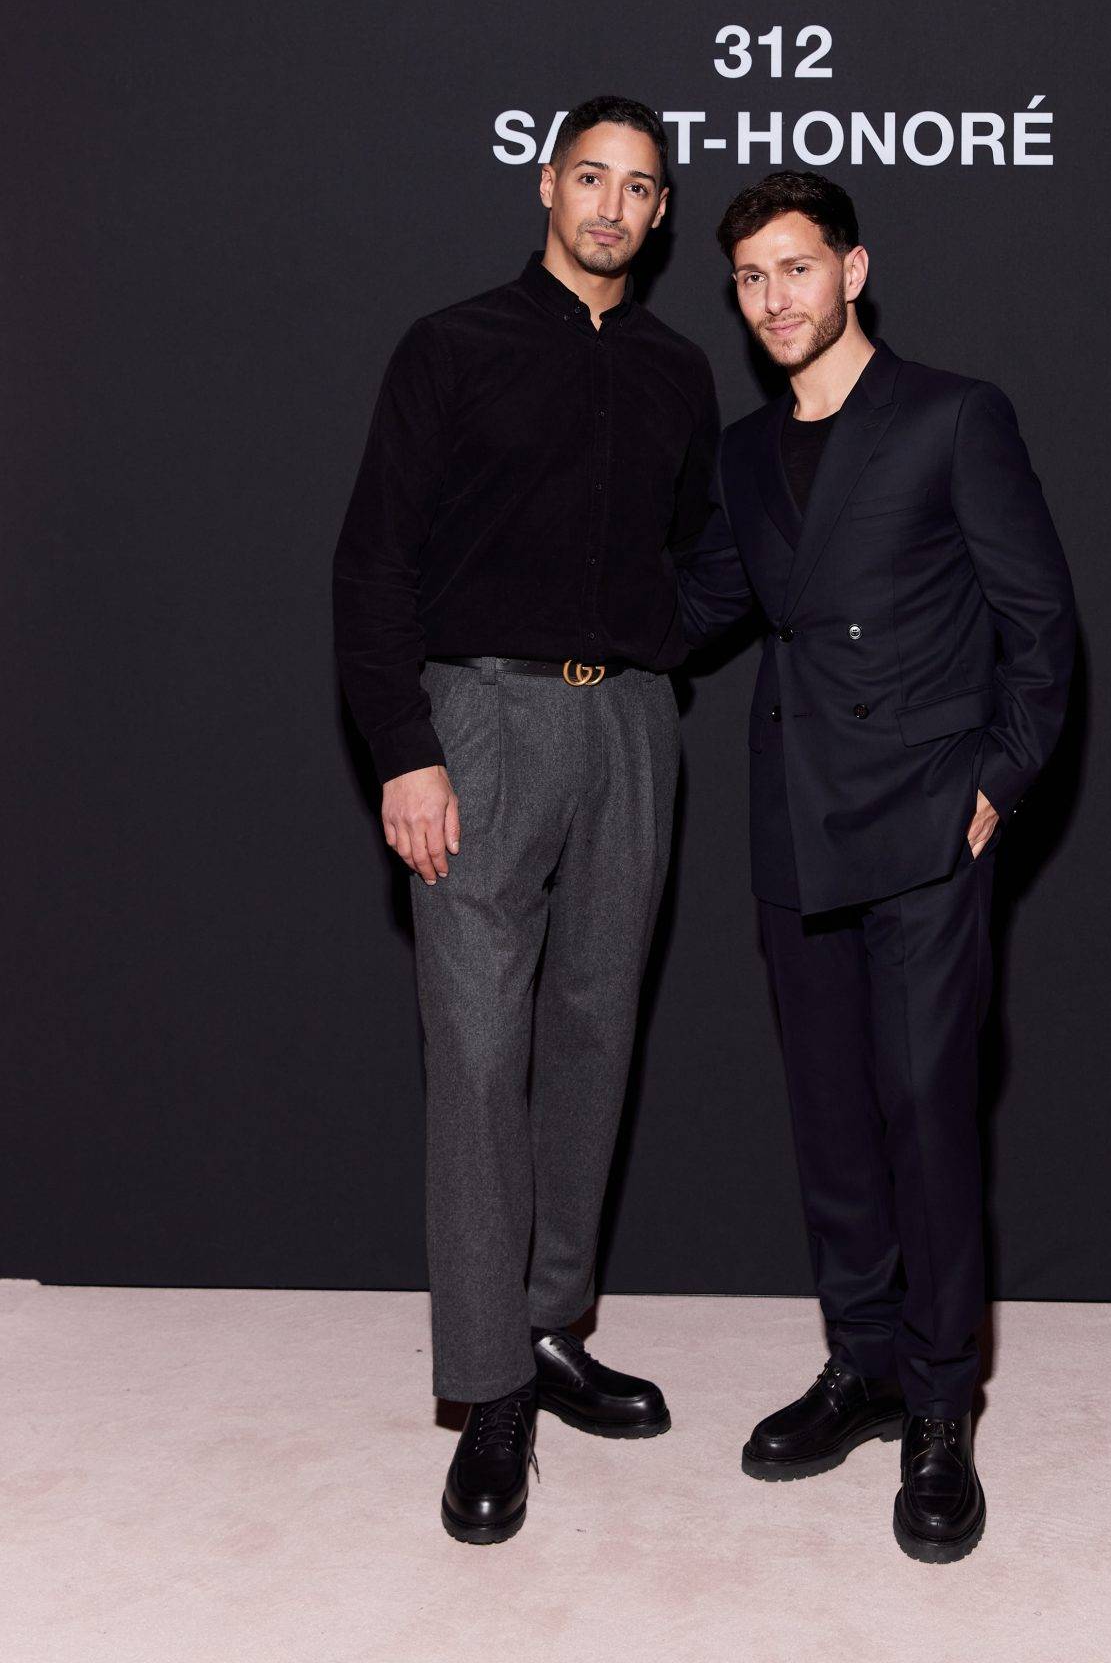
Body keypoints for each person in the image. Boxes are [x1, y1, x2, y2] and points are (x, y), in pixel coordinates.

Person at [333, 95, 718, 1545]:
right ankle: (488, 1392)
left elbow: (691, 548)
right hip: (477, 727)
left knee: (595, 1031)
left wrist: (651, 662)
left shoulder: (682, 371)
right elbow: (370, 563)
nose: (614, 206)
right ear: (547, 185)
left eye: (642, 188)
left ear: (662, 214)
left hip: (627, 725)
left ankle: (555, 1327)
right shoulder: (452, 347)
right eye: (593, 178)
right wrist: (407, 749)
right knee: (481, 1058)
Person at [677, 170, 1075, 1563]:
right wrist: (548, 600)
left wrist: (1000, 778)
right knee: (832, 1117)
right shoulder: (740, 453)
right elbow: (707, 603)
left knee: (925, 1109)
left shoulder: (954, 416)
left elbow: (1041, 621)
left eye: (795, 269)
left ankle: (944, 1407)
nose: (774, 299)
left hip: (918, 820)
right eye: (749, 280)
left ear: (855, 268)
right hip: (794, 820)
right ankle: (864, 1366)